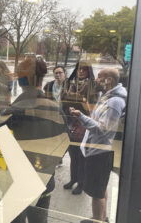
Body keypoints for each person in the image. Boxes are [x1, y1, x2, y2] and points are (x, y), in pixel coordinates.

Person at [6, 69, 67, 223]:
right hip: (45, 176)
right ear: (41, 80)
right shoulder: (54, 107)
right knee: (39, 220)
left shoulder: (14, 108)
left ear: (20, 82)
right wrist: (50, 163)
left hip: (17, 177)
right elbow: (65, 141)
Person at [69, 68, 127, 223]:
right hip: (98, 149)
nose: (96, 80)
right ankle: (102, 218)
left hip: (101, 151)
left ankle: (97, 220)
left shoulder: (114, 102)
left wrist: (80, 116)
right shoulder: (108, 97)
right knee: (101, 188)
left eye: (100, 77)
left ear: (109, 80)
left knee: (96, 193)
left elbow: (103, 130)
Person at [62, 61, 96, 195]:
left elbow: (90, 108)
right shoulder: (72, 84)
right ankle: (73, 179)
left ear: (89, 72)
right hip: (71, 122)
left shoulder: (91, 85)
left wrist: (78, 99)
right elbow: (64, 99)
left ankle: (81, 183)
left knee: (82, 156)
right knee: (73, 154)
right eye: (79, 69)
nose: (80, 72)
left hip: (84, 123)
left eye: (84, 70)